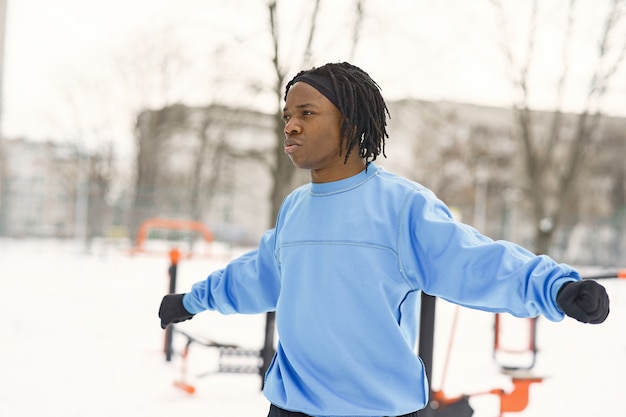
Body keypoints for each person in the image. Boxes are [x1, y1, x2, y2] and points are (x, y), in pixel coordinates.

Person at [158, 62, 610, 417]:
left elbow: (473, 260)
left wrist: (556, 288)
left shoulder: (400, 206)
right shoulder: (295, 210)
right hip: (292, 409)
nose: (291, 126)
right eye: (287, 116)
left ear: (350, 124)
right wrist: (192, 301)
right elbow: (257, 276)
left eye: (307, 113)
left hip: (378, 411)